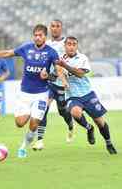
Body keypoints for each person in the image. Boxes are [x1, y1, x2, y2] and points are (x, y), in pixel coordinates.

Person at [0, 24, 68, 158]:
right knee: (20, 123)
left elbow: (58, 70)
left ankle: (23, 147)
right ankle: (28, 119)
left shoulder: (51, 52)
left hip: (42, 93)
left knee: (34, 124)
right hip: (24, 93)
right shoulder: (26, 48)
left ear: (45, 36)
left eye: (40, 35)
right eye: (36, 35)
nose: (37, 38)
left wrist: (60, 80)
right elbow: (8, 53)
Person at [56, 36, 117, 154]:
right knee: (75, 112)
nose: (71, 46)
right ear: (65, 46)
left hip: (87, 94)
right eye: (69, 44)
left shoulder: (82, 58)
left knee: (100, 121)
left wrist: (65, 66)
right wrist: (47, 75)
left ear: (77, 46)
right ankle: (89, 128)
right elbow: (56, 73)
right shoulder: (60, 60)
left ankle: (109, 142)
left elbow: (79, 73)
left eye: (74, 44)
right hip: (72, 95)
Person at [33, 20, 74, 151]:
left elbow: (73, 60)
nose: (55, 29)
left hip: (62, 83)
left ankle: (71, 125)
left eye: (57, 26)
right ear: (50, 29)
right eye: (52, 26)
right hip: (49, 82)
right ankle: (39, 140)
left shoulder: (67, 43)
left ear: (61, 28)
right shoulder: (46, 44)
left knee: (63, 111)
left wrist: (66, 75)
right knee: (43, 108)